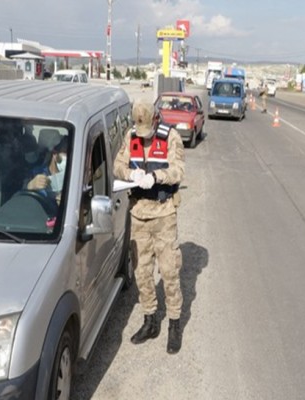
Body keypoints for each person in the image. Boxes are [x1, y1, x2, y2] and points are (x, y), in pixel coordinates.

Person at [113, 102, 186, 354]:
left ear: (156, 119)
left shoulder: (171, 137)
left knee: (169, 271)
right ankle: (150, 320)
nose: (143, 135)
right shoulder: (131, 135)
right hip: (138, 213)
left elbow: (178, 170)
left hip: (163, 212)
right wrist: (130, 175)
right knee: (142, 271)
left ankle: (174, 323)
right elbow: (117, 165)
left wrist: (156, 177)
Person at [26, 133, 68, 205]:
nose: (69, 157)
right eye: (65, 152)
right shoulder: (36, 173)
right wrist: (30, 187)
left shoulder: (73, 176)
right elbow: (20, 200)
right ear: (55, 154)